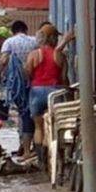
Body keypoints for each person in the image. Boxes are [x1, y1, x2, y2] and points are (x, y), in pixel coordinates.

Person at [24, 25, 69, 161]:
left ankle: (41, 160)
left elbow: (28, 73)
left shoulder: (34, 54)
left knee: (38, 127)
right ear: (53, 38)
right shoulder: (60, 55)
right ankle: (52, 159)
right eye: (56, 37)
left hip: (36, 92)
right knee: (53, 126)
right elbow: (64, 78)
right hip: (55, 92)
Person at [0, 20, 40, 157]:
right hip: (34, 82)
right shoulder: (34, 41)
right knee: (33, 114)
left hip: (17, 85)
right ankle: (29, 145)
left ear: (13, 31)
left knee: (24, 114)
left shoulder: (9, 42)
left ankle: (25, 147)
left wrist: (0, 75)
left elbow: (3, 60)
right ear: (26, 30)